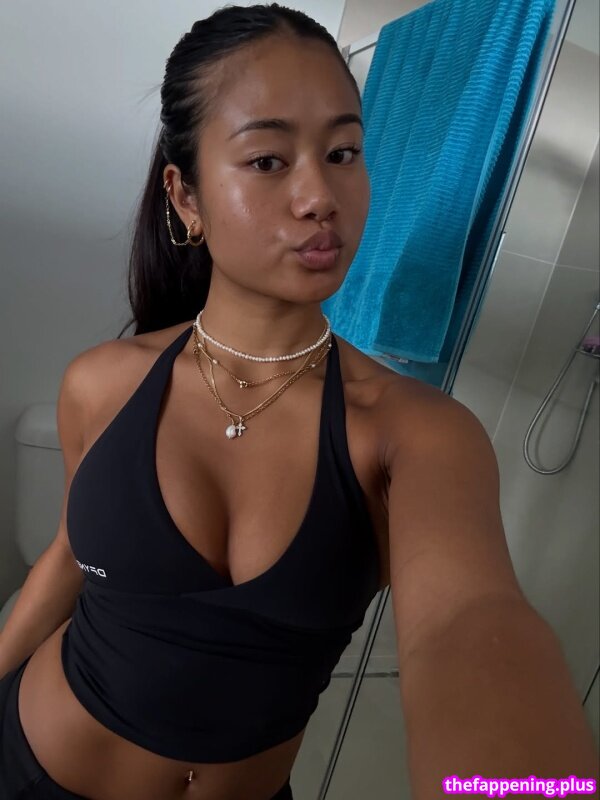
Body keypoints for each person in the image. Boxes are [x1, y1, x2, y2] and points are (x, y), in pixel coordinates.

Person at [1, 4, 598, 800]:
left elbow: (471, 624)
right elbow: (67, 557)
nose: (321, 195)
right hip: (29, 765)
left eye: (343, 152)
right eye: (268, 160)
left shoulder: (414, 433)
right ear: (186, 198)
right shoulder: (103, 382)